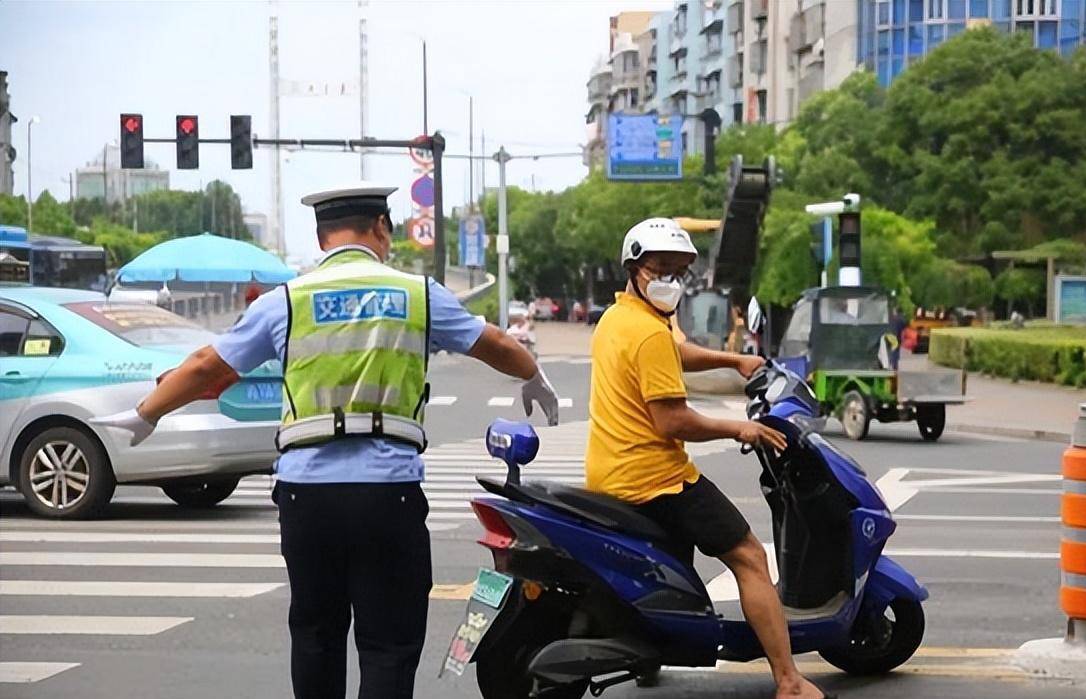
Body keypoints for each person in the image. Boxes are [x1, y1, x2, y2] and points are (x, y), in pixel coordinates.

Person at [93, 183, 560, 699]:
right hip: (389, 494)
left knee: (316, 635)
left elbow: (207, 366)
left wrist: (146, 414)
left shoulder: (287, 302)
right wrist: (532, 373)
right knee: (387, 645)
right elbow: (491, 342)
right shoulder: (416, 294)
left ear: (321, 239)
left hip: (307, 497)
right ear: (381, 228)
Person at [584, 217, 828, 699]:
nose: (671, 280)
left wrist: (734, 361)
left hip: (610, 471)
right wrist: (741, 427)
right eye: (660, 269)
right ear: (634, 268)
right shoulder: (648, 332)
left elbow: (678, 352)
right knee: (751, 557)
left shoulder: (619, 319)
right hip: (655, 478)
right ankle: (790, 682)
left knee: (675, 561)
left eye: (679, 272)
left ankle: (650, 650)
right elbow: (672, 422)